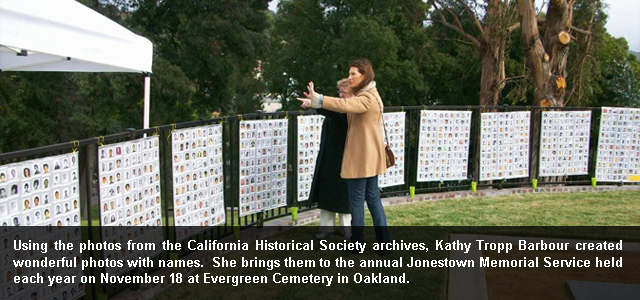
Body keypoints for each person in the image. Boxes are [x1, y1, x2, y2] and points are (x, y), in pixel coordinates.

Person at [298, 58, 390, 254]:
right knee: (373, 200)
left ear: (364, 75)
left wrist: (319, 99)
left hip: (361, 161)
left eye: (353, 74)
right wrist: (318, 103)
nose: (350, 78)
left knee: (357, 203)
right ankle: (384, 243)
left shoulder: (366, 98)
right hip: (371, 160)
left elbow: (345, 106)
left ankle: (358, 244)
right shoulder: (373, 94)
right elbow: (344, 107)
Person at [309, 79, 352, 240]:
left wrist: (318, 102)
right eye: (339, 92)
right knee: (326, 193)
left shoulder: (352, 109)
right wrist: (314, 102)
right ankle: (326, 228)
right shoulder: (337, 107)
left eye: (344, 92)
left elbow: (335, 112)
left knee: (343, 196)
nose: (340, 95)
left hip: (346, 158)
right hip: (329, 156)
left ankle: (347, 229)